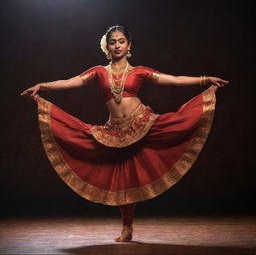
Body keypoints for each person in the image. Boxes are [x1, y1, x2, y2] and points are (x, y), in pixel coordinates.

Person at [20, 25, 229, 242]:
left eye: (121, 41)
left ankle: (127, 227)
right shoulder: (99, 72)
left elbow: (174, 79)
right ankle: (127, 228)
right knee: (122, 179)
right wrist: (41, 86)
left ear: (128, 45)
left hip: (142, 124)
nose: (117, 45)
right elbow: (70, 82)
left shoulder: (139, 71)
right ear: (106, 46)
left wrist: (205, 80)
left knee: (177, 124)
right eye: (113, 42)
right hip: (115, 131)